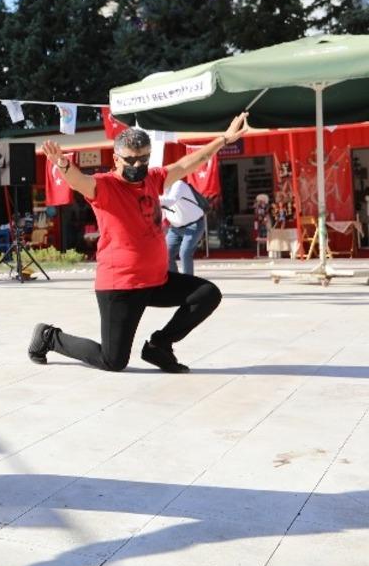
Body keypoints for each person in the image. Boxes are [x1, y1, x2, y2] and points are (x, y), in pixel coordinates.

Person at [28, 114, 249, 374]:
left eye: (143, 159)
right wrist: (63, 165)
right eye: (130, 160)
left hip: (156, 281)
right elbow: (79, 182)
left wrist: (224, 139)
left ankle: (159, 346)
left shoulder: (153, 179)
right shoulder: (105, 185)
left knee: (207, 294)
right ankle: (49, 337)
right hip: (121, 287)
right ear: (116, 159)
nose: (137, 165)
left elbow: (187, 163)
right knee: (113, 361)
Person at [161, 178, 207, 275]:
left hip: (194, 225)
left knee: (185, 253)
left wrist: (150, 198)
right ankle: (176, 280)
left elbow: (170, 201)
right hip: (175, 228)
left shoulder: (178, 184)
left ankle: (188, 281)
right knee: (165, 254)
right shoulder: (159, 190)